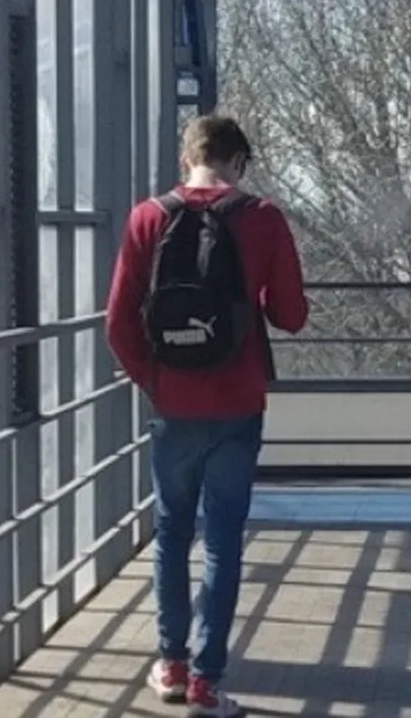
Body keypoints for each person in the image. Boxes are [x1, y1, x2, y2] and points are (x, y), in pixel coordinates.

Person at [105, 115, 309, 717]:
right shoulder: (263, 218)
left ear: (186, 159)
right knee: (222, 542)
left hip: (173, 406)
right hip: (238, 404)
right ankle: (205, 682)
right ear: (238, 163)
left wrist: (155, 381)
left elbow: (118, 322)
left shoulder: (148, 217)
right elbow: (292, 316)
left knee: (172, 533)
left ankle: (170, 664)